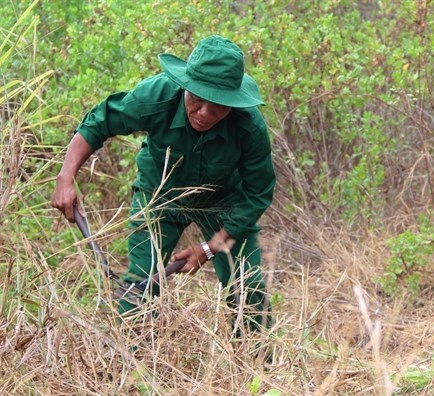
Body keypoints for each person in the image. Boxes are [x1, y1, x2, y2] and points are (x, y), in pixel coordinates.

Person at [52, 35, 276, 330]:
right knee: (141, 283)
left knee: (248, 286)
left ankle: (258, 367)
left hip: (224, 201)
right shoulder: (155, 96)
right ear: (186, 85)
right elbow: (99, 123)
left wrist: (209, 249)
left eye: (219, 105)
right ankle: (136, 367)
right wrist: (66, 176)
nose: (206, 113)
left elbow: (257, 193)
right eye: (198, 99)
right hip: (159, 193)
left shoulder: (250, 126)